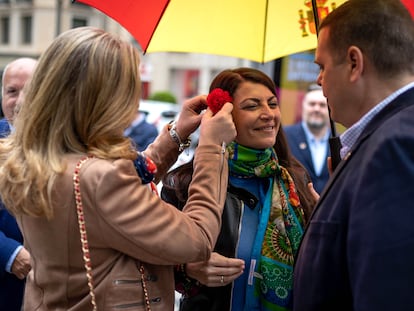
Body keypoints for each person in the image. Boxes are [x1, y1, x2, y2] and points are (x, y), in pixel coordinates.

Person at [0, 26, 237, 311]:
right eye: (129, 86)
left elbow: (125, 179)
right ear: (105, 97)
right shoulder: (99, 178)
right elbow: (197, 238)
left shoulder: (35, 155)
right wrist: (213, 147)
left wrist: (175, 135)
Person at [162, 67, 318, 311]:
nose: (269, 114)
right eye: (252, 105)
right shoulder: (185, 185)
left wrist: (325, 223)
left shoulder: (295, 183)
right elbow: (152, 258)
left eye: (272, 103)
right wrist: (187, 268)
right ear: (225, 115)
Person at [293, 0, 414, 310]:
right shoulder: (387, 137)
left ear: (354, 62)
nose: (319, 80)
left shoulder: (395, 146)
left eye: (321, 66)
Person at [0, 57, 37, 311]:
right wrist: (9, 253)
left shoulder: (67, 144)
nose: (20, 101)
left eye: (31, 91)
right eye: (12, 91)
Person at [284, 83, 330, 194]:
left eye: (322, 105)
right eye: (312, 104)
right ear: (303, 106)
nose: (317, 109)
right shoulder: (285, 136)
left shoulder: (341, 142)